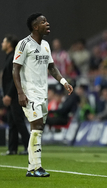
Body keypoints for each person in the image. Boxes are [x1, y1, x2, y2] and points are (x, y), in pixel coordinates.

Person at [12, 13, 73, 177]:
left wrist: (63, 82)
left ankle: (34, 167)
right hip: (29, 92)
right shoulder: (24, 44)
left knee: (39, 128)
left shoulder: (45, 45)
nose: (47, 23)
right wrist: (20, 93)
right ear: (35, 26)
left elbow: (52, 67)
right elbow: (15, 69)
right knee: (37, 125)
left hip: (42, 92)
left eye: (47, 21)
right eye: (43, 22)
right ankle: (34, 167)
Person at [1, 34, 30, 156]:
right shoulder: (9, 57)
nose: (2, 43)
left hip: (15, 95)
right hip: (12, 95)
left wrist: (9, 94)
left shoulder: (14, 57)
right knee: (12, 121)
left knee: (19, 121)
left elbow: (15, 78)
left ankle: (30, 147)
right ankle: (12, 148)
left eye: (4, 41)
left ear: (9, 45)